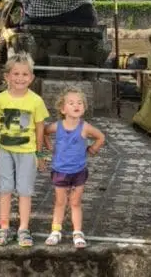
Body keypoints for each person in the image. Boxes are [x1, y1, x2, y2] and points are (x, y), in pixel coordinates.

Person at [0, 52, 49, 247]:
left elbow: (40, 130)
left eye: (24, 74)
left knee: (24, 190)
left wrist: (40, 155)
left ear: (31, 78)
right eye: (15, 74)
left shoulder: (36, 101)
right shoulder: (0, 100)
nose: (20, 78)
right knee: (5, 189)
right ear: (7, 77)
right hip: (5, 151)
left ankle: (23, 228)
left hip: (28, 153)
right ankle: (3, 227)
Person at [44, 88, 105, 248]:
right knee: (60, 202)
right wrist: (49, 145)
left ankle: (77, 232)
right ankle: (55, 230)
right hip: (60, 171)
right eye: (71, 103)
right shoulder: (57, 126)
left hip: (78, 171)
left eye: (79, 103)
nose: (76, 105)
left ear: (84, 108)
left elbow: (101, 136)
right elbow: (43, 132)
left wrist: (93, 149)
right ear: (63, 109)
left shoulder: (85, 127)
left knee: (76, 202)